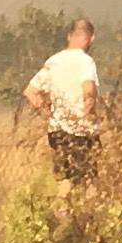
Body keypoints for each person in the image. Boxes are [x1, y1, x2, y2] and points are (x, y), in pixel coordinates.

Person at [24, 16, 103, 182]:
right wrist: (87, 113)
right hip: (81, 130)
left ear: (69, 36)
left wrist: (48, 111)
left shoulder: (54, 61)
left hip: (57, 130)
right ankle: (83, 208)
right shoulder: (86, 61)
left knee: (64, 179)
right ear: (91, 38)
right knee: (87, 181)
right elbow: (88, 91)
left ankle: (61, 207)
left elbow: (30, 91)